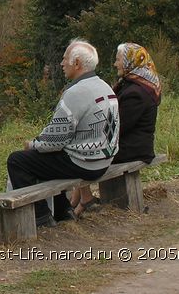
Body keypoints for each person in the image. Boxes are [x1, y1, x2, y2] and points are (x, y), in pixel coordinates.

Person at [7, 39, 120, 227]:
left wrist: (32, 144)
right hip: (103, 159)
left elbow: (54, 141)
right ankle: (63, 211)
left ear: (77, 64)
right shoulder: (104, 86)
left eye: (65, 59)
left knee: (18, 160)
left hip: (86, 164)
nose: (61, 63)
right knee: (50, 160)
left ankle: (41, 217)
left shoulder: (76, 92)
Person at [70, 42, 161, 216]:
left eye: (118, 59)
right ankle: (79, 199)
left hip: (133, 148)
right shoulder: (133, 85)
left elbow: (118, 126)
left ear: (130, 62)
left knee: (80, 153)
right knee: (80, 148)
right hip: (129, 143)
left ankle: (83, 200)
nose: (115, 63)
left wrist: (90, 135)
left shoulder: (137, 92)